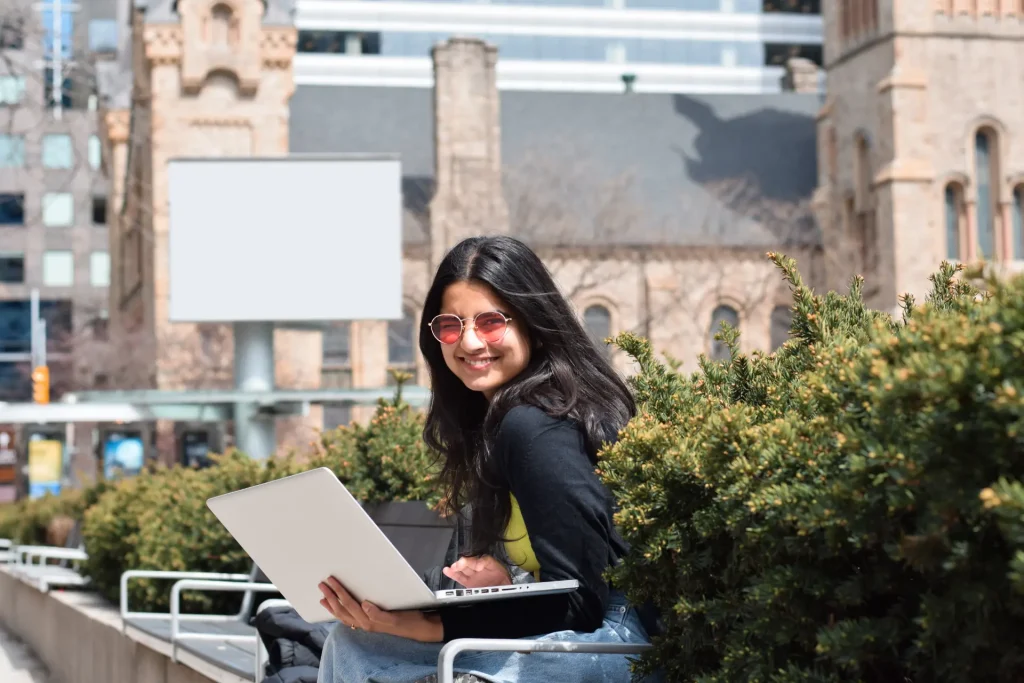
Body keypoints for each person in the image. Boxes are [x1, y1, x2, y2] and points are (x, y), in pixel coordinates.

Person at [316, 235, 659, 683]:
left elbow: (581, 604)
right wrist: (509, 586)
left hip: (607, 643)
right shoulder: (504, 421)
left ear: (533, 324)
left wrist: (426, 625)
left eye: (491, 322)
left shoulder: (538, 423)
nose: (471, 342)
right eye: (452, 325)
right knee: (356, 643)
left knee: (371, 652)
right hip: (576, 631)